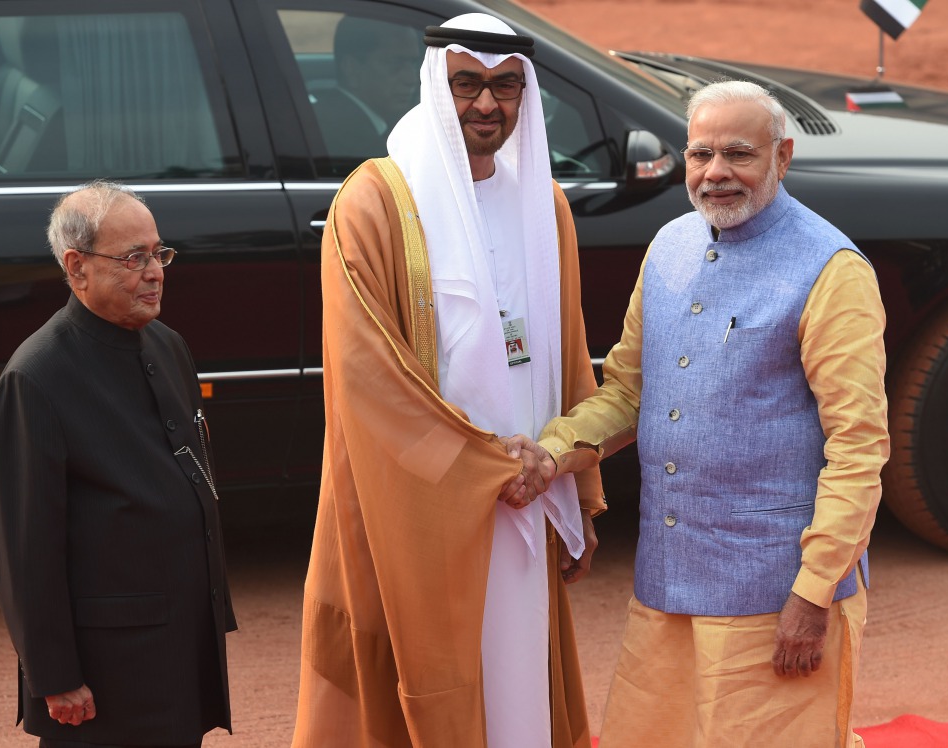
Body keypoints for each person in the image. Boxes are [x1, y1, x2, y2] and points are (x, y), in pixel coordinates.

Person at [536, 80, 890, 748]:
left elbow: (859, 447)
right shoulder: (668, 245)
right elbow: (628, 392)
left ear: (783, 157)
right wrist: (556, 450)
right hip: (667, 582)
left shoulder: (832, 270)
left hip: (774, 592)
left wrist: (814, 594)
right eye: (701, 155)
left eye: (740, 154)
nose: (716, 172)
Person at [292, 12, 604, 748]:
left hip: (526, 496)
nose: (487, 105)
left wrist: (564, 474)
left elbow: (568, 350)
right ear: (438, 86)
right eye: (468, 84)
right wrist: (486, 470)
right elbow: (370, 381)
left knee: (519, 682)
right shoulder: (373, 204)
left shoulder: (545, 205)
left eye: (504, 86)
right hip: (426, 504)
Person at [0, 180, 236, 748]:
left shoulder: (167, 346)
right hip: (106, 668)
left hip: (177, 642)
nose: (155, 271)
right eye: (132, 258)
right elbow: (22, 550)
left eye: (159, 253)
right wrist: (56, 675)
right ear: (77, 266)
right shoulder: (36, 378)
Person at [311, 15, 421, 167]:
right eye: (395, 64)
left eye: (413, 64)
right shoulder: (343, 136)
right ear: (352, 69)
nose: (411, 79)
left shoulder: (328, 118)